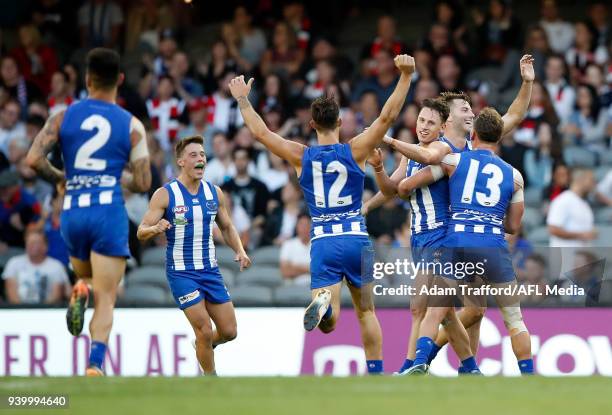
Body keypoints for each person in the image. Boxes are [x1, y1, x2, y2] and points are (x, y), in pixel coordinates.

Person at [229, 53, 416, 375]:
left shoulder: (300, 155)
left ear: (312, 124)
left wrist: (244, 101)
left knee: (329, 325)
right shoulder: (355, 148)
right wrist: (405, 77)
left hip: (324, 240)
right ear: (341, 122)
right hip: (356, 237)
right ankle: (375, 374)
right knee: (367, 312)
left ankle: (325, 306)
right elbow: (386, 118)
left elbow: (261, 134)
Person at [366, 54, 535, 371]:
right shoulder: (436, 148)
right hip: (431, 235)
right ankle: (466, 368)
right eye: (464, 108)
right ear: (449, 120)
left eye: (471, 109)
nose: (472, 112)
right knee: (463, 310)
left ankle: (422, 363)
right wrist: (373, 184)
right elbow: (394, 188)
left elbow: (513, 114)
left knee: (443, 308)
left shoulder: (456, 153)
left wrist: (527, 83)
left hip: (447, 236)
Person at [25, 48, 152, 376]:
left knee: (85, 274)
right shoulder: (131, 125)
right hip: (107, 211)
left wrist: (61, 179)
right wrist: (114, 175)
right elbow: (143, 181)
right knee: (107, 295)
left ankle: (80, 287)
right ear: (120, 80)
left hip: (72, 212)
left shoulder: (63, 116)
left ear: (86, 79)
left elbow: (33, 160)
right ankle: (95, 365)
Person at [396, 107, 534, 375]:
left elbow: (406, 186)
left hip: (456, 243)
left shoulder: (454, 162)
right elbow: (514, 226)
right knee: (515, 320)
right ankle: (528, 375)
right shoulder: (514, 175)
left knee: (437, 309)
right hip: (493, 247)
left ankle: (421, 360)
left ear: (474, 134)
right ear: (499, 138)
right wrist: (490, 219)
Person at [364, 98, 480, 375]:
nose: (424, 126)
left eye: (431, 123)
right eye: (421, 121)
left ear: (442, 128)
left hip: (441, 236)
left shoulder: (444, 152)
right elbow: (392, 189)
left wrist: (388, 140)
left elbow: (404, 188)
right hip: (420, 238)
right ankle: (471, 368)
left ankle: (412, 363)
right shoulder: (411, 153)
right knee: (444, 313)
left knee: (425, 308)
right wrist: (377, 173)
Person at [137, 136, 250, 375]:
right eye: (193, 155)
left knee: (229, 331)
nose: (200, 159)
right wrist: (154, 229)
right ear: (180, 161)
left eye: (202, 155)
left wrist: (239, 250)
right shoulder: (165, 194)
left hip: (210, 270)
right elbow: (140, 231)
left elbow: (227, 227)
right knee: (204, 330)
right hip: (182, 273)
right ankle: (210, 382)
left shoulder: (214, 193)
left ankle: (202, 346)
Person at [2, 230, 69, 305]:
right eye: (29, 242)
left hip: (48, 312)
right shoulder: (13, 263)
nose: (31, 245)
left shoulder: (56, 266)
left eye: (36, 242)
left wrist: (41, 312)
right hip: (18, 311)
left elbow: (56, 296)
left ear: (46, 246)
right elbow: (12, 294)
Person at [279, 213, 311, 285]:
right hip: (294, 287)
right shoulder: (288, 244)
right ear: (297, 226)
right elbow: (285, 271)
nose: (304, 228)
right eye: (301, 225)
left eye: (307, 225)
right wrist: (310, 269)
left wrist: (295, 267)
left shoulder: (319, 245)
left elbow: (323, 272)